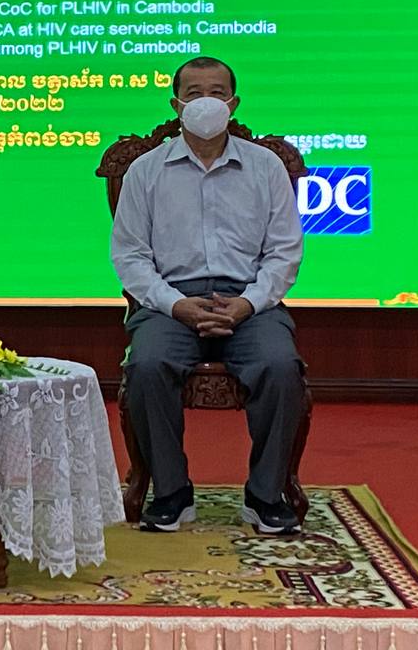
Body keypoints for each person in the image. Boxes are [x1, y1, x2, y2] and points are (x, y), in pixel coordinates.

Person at [111, 56, 305, 535]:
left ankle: (265, 495)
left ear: (233, 104)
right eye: (193, 93)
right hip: (170, 303)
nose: (205, 102)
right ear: (176, 104)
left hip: (249, 301)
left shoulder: (265, 167)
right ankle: (172, 493)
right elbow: (130, 257)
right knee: (147, 366)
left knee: (281, 366)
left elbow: (284, 252)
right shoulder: (145, 171)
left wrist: (248, 303)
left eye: (216, 93)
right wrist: (175, 304)